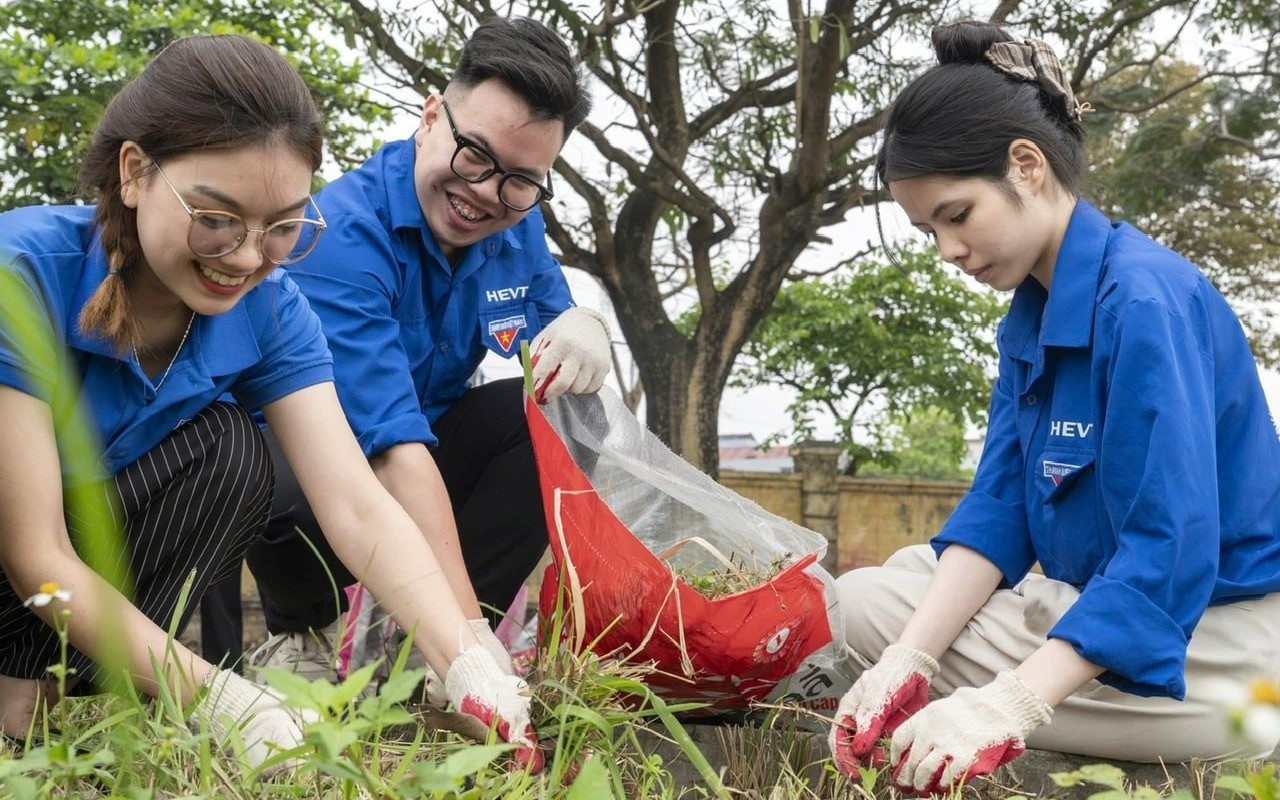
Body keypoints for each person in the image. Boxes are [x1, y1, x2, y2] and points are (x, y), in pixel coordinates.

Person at [0, 34, 542, 772]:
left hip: (59, 578)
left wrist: (465, 656)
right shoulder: (24, 274)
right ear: (135, 173)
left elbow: (357, 503)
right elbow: (35, 554)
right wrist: (220, 697)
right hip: (25, 559)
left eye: (283, 227)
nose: (248, 259)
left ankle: (46, 692)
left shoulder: (269, 307)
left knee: (230, 453)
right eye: (217, 220)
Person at [827, 20, 1280, 796]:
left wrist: (1011, 701)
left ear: (1027, 166)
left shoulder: (1143, 299)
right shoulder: (1031, 318)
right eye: (927, 229)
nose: (948, 251)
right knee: (876, 599)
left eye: (956, 215)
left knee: (872, 614)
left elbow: (1166, 553)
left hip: (1221, 645)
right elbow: (1000, 503)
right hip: (1098, 604)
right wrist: (911, 660)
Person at [206, 16, 610, 684]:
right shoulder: (339, 238)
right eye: (474, 155)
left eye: (519, 179)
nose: (485, 192)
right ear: (430, 118)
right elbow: (391, 448)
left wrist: (582, 323)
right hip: (326, 470)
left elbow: (554, 332)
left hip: (428, 455)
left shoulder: (518, 223)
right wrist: (467, 638)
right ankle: (312, 633)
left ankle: (419, 652)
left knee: (560, 418)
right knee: (262, 460)